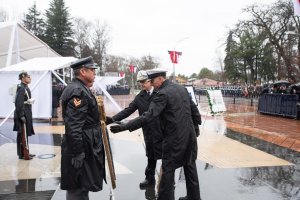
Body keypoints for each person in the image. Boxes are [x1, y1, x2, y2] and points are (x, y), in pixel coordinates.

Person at [110, 69, 202, 200]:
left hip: (174, 139)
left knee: (168, 171)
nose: (152, 84)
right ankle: (194, 197)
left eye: (152, 81)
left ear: (160, 78)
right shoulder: (181, 89)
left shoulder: (162, 94)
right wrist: (196, 126)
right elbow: (194, 109)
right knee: (190, 167)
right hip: (189, 136)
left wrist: (125, 126)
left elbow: (148, 116)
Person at [106, 70, 163, 189]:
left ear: (150, 81)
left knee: (166, 156)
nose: (142, 84)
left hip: (162, 129)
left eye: (144, 81)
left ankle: (167, 180)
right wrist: (112, 119)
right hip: (148, 130)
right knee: (151, 155)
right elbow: (128, 110)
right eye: (140, 82)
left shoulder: (161, 93)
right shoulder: (140, 97)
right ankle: (150, 178)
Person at [60, 56, 106, 200]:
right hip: (82, 146)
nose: (95, 73)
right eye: (92, 70)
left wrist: (106, 120)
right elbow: (74, 126)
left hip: (85, 143)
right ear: (83, 71)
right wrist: (77, 152)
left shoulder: (80, 88)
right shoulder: (78, 91)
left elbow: (87, 118)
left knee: (83, 184)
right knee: (77, 187)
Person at [13, 72, 36, 160]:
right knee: (22, 134)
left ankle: (25, 152)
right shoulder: (21, 88)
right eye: (28, 77)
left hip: (26, 111)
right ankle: (23, 154)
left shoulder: (25, 87)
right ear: (23, 78)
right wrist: (21, 115)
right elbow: (18, 103)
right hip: (23, 113)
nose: (30, 78)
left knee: (24, 134)